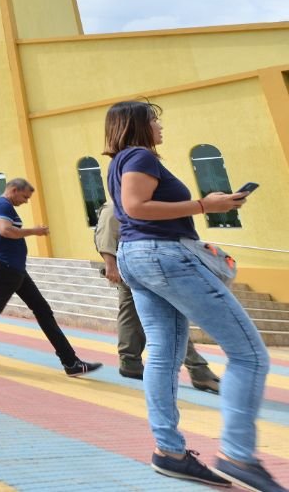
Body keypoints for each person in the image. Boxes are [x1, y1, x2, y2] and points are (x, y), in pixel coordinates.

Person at [105, 101, 279, 490]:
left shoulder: (118, 162)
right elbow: (136, 206)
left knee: (163, 355)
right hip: (162, 255)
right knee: (249, 355)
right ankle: (238, 456)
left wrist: (213, 205)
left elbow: (130, 210)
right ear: (138, 125)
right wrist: (204, 205)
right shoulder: (140, 157)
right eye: (154, 119)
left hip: (136, 256)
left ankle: (170, 452)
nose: (159, 125)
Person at [0, 178, 103, 378]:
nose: (25, 201)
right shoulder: (3, 205)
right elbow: (5, 230)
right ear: (14, 190)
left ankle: (70, 362)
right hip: (8, 267)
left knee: (40, 310)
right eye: (24, 197)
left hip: (12, 267)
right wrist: (35, 231)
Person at [94, 203, 221, 393]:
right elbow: (105, 234)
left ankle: (130, 362)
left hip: (147, 263)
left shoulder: (142, 202)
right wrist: (110, 265)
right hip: (138, 266)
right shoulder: (117, 205)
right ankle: (198, 370)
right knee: (169, 315)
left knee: (130, 313)